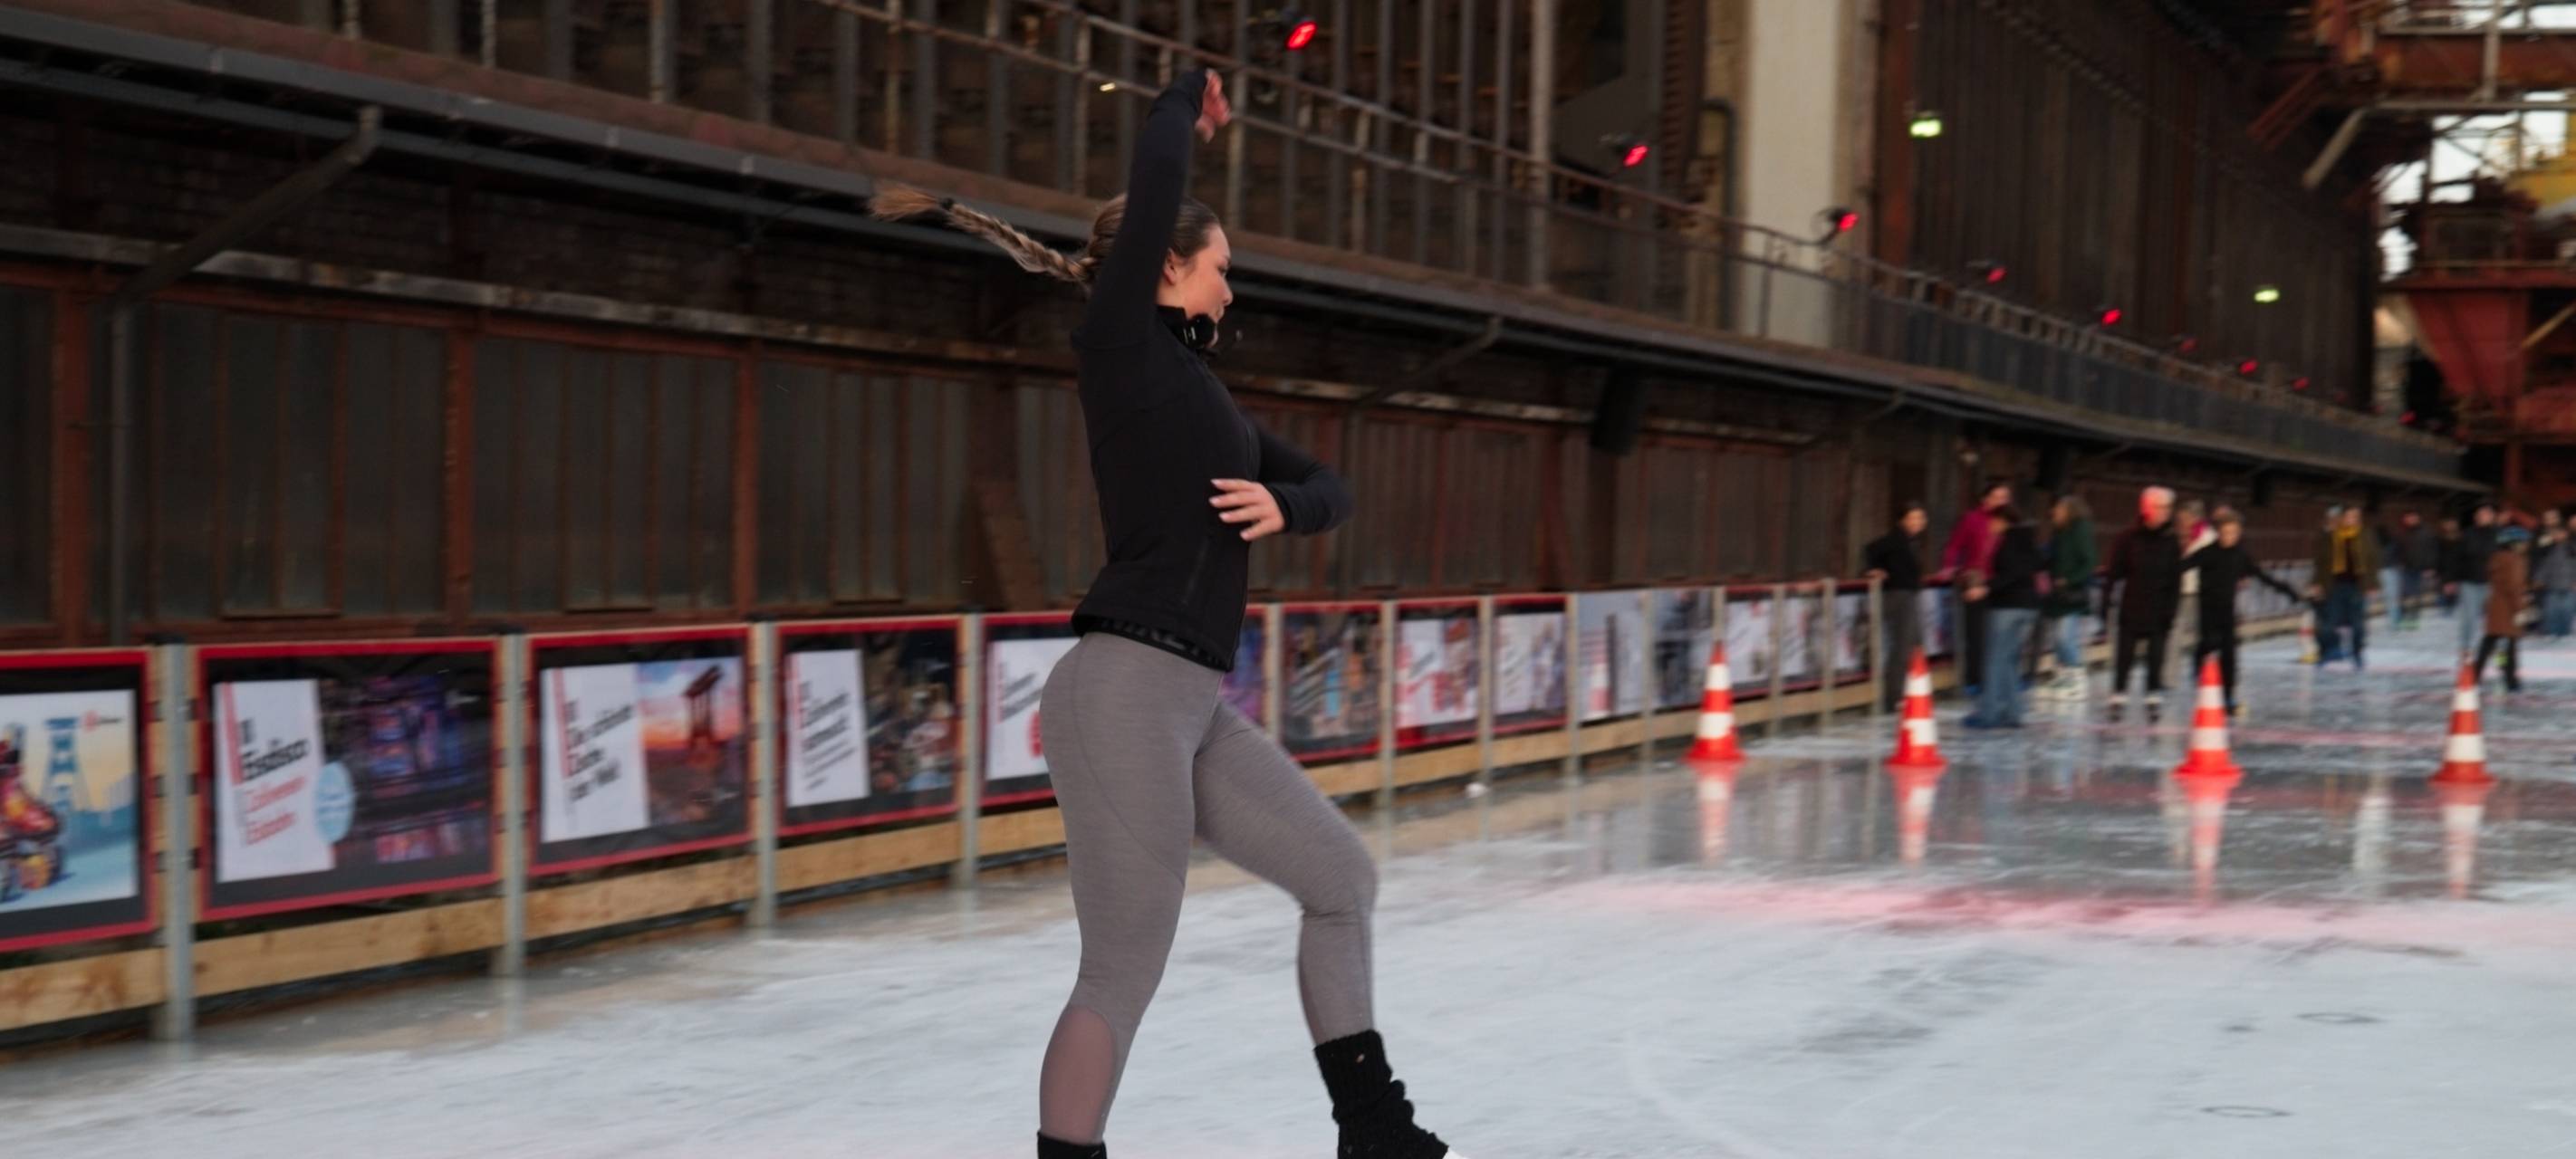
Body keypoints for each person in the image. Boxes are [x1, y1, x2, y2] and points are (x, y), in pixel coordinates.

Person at [877, 72, 1458, 1159]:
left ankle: (1375, 1131)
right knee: (1124, 962)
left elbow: (1330, 484)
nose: (1232, 292)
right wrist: (1179, 103)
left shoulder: (1213, 408)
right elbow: (1152, 187)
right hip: (1124, 690)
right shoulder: (1123, 351)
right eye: (1223, 270)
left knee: (1341, 879)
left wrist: (1288, 503)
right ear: (1171, 269)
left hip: (1191, 697)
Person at [2183, 513, 2305, 716]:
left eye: (2233, 533)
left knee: (2229, 654)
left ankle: (2228, 695)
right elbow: (2182, 566)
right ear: (2219, 533)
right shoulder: (2207, 553)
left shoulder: (2240, 555)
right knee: (2208, 644)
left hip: (2227, 612)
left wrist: (2288, 591)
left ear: (2238, 534)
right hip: (2207, 610)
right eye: (2225, 533)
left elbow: (2261, 576)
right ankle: (2198, 673)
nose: (2229, 537)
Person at [2103, 486, 2184, 723]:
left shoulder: (2171, 543)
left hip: (2159, 609)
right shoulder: (2128, 539)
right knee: (2124, 656)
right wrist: (2106, 601)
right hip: (2132, 606)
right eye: (2160, 507)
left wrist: (2171, 611)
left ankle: (2153, 697)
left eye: (2168, 508)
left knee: (2156, 657)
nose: (2165, 513)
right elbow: (2114, 573)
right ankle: (2119, 696)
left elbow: (2175, 580)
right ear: (2147, 509)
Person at [1964, 505, 2045, 730]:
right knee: (2010, 660)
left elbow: (2010, 573)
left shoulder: (2008, 542)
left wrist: (1985, 588)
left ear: (2002, 521)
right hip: (2029, 608)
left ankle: (1989, 714)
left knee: (1995, 660)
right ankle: (2013, 713)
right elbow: (2038, 564)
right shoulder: (2028, 540)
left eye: (1992, 521)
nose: (1990, 526)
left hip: (2007, 606)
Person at [1939, 481, 2012, 699]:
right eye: (1997, 497)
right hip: (1976, 581)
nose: (2002, 502)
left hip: (2001, 583)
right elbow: (1954, 546)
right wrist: (1950, 568)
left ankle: (1996, 678)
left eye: (2005, 498)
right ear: (1985, 499)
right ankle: (1975, 680)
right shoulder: (1972, 519)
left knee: (1998, 633)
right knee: (1976, 634)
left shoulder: (2009, 523)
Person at [1860, 502, 1930, 712]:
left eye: (1920, 518)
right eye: (1912, 518)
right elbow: (1870, 550)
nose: (1916, 523)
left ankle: (1907, 691)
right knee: (1902, 646)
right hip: (1898, 594)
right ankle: (1894, 697)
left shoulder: (1912, 541)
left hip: (1909, 594)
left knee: (1912, 644)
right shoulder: (1895, 539)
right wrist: (1873, 569)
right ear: (1902, 520)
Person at [2039, 494, 2097, 701]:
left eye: (2060, 509)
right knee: (2057, 638)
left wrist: (2070, 579)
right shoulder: (2059, 532)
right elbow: (2050, 556)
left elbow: (2089, 561)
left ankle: (2078, 676)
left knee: (2065, 636)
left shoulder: (2080, 530)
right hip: (2056, 593)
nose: (2055, 513)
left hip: (2071, 592)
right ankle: (2063, 676)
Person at [2310, 506, 2379, 672]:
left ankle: (2357, 653)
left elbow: (2373, 561)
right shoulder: (2330, 537)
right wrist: (2316, 583)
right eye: (2348, 517)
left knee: (2358, 625)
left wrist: (2373, 585)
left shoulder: (2365, 536)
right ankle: (2326, 652)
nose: (2351, 520)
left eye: (2354, 517)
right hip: (2334, 585)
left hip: (2357, 586)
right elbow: (2320, 562)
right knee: (2328, 623)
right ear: (2341, 518)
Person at [2475, 527, 2532, 692]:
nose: (2526, 545)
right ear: (2514, 544)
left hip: (2496, 607)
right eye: (2523, 542)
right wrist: (2520, 610)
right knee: (2510, 645)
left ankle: (2475, 675)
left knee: (2489, 642)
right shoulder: (2515, 560)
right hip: (2509, 609)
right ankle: (2510, 680)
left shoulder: (2497, 558)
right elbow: (2514, 587)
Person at [2449, 503, 2500, 658]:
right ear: (2476, 517)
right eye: (2480, 514)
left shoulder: (2499, 535)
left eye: (2487, 514)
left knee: (2495, 618)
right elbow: (2456, 558)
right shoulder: (2467, 534)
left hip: (2492, 583)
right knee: (2469, 618)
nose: (2483, 517)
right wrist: (2450, 579)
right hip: (2469, 582)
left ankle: (2497, 650)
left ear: (2492, 517)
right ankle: (2466, 648)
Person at [2536, 509, 2575, 639]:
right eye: (2555, 534)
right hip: (2552, 586)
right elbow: (2544, 566)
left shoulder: (2572, 548)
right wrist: (2539, 579)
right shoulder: (2549, 549)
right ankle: (2552, 635)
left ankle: (2564, 636)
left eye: (2560, 533)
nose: (2557, 536)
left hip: (2569, 586)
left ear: (2565, 534)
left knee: (2567, 612)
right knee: (2551, 612)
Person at [2394, 511, 2437, 629]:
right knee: (2406, 595)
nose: (2410, 520)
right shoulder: (2402, 533)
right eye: (2408, 518)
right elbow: (2397, 550)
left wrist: (2429, 567)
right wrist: (2398, 562)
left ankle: (2413, 620)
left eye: (2412, 518)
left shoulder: (2426, 532)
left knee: (2416, 595)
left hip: (2420, 569)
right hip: (2406, 569)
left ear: (2417, 518)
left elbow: (2431, 551)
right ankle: (2404, 619)